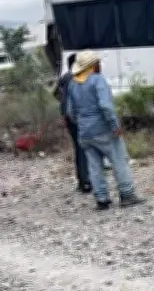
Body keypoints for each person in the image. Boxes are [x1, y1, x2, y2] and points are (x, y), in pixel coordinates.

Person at [66, 51, 145, 210]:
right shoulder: (97, 80)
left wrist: (82, 123)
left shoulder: (73, 84)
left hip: (85, 133)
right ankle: (127, 194)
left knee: (94, 166)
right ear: (93, 65)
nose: (100, 65)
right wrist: (114, 126)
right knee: (118, 160)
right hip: (103, 129)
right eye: (98, 62)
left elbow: (70, 112)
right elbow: (105, 106)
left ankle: (101, 199)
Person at [54, 54, 91, 193]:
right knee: (83, 149)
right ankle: (86, 181)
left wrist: (63, 112)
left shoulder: (64, 78)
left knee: (78, 148)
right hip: (77, 117)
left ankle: (82, 180)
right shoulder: (76, 78)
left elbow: (57, 95)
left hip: (68, 118)